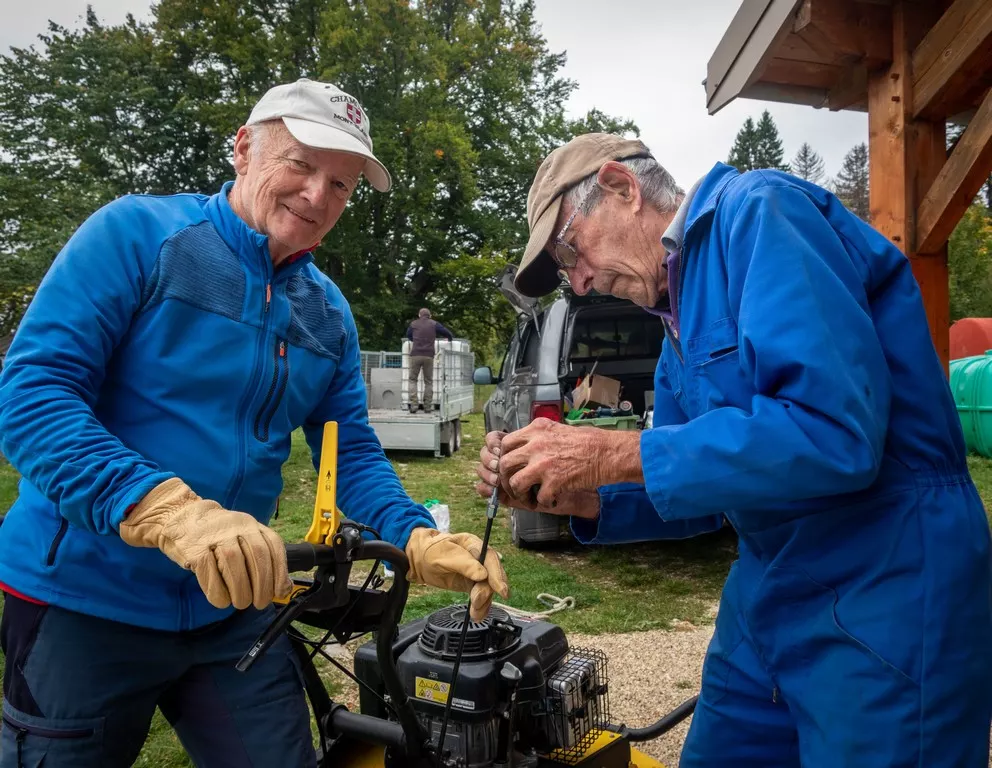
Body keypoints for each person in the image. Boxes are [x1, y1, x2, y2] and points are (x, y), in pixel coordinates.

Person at [0, 78, 508, 768]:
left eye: (341, 184)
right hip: (86, 599)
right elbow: (33, 395)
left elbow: (349, 451)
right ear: (243, 149)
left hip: (234, 607)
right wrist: (167, 510)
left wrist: (415, 532)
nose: (318, 196)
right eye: (300, 165)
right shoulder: (135, 236)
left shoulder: (326, 311)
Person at [475, 133, 992, 766]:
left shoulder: (761, 213)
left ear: (621, 187)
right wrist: (575, 495)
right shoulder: (675, 322)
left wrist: (611, 454)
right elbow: (703, 493)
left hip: (886, 580)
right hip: (768, 591)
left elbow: (836, 432)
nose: (578, 284)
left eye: (569, 250)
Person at [406, 307, 454, 413]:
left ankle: (414, 406)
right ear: (430, 315)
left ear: (419, 315)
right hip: (429, 355)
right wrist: (450, 338)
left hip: (415, 355)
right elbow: (445, 332)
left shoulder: (413, 324)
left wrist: (415, 340)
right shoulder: (434, 324)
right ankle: (427, 407)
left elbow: (408, 335)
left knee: (413, 380)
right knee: (428, 381)